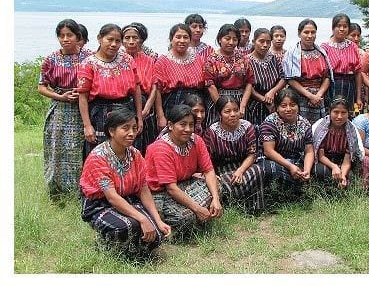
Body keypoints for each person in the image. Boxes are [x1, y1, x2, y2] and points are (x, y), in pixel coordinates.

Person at [79, 106, 171, 257]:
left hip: (127, 199)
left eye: (134, 128)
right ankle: (104, 244)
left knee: (157, 234)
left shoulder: (135, 154)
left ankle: (132, 249)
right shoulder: (98, 157)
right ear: (111, 131)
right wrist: (142, 218)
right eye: (125, 128)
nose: (131, 133)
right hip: (100, 204)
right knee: (131, 225)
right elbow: (111, 197)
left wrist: (157, 220)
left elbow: (143, 188)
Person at [145, 103, 222, 241]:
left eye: (191, 125)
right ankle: (168, 227)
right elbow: (171, 188)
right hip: (161, 192)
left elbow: (209, 170)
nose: (188, 129)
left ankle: (201, 214)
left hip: (184, 184)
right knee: (186, 217)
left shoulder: (196, 140)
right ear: (170, 125)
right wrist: (198, 209)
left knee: (217, 184)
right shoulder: (161, 148)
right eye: (182, 124)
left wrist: (216, 200)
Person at [38, 19, 90, 196]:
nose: (65, 39)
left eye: (70, 35)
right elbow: (42, 86)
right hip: (60, 110)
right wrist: (60, 96)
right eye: (61, 36)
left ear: (78, 37)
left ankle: (82, 191)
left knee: (82, 148)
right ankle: (57, 191)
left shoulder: (88, 57)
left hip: (85, 109)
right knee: (57, 149)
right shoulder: (51, 59)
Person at [77, 24, 143, 157]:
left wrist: (139, 118)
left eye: (118, 41)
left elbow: (136, 89)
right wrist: (87, 126)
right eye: (110, 39)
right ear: (100, 39)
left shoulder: (127, 60)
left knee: (127, 151)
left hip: (126, 111)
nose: (113, 44)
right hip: (100, 114)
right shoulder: (88, 64)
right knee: (100, 153)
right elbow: (82, 96)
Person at [202, 95, 265, 215]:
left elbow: (252, 154)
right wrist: (214, 175)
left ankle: (255, 209)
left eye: (235, 110)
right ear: (219, 114)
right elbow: (207, 160)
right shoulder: (211, 132)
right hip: (220, 169)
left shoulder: (247, 127)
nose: (233, 114)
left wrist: (240, 170)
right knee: (223, 184)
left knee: (258, 170)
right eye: (227, 111)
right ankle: (232, 207)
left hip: (243, 166)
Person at [258, 88, 314, 201]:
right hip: (276, 161)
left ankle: (299, 191)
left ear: (298, 106)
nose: (288, 109)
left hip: (297, 160)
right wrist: (290, 166)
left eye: (292, 105)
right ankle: (281, 197)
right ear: (277, 108)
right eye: (283, 106)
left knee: (316, 170)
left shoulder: (305, 123)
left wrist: (306, 170)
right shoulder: (270, 122)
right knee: (269, 169)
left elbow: (309, 151)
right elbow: (268, 151)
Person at [153, 23, 210, 127]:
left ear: (190, 39)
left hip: (197, 103)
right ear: (171, 39)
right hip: (173, 103)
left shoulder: (198, 58)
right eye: (178, 37)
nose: (182, 41)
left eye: (185, 37)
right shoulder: (163, 60)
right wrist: (160, 115)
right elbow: (157, 90)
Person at [282, 19, 333, 123]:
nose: (310, 36)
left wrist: (318, 95)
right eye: (306, 32)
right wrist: (310, 96)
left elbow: (327, 77)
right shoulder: (292, 53)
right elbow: (290, 79)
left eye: (313, 32)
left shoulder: (321, 53)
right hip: (299, 97)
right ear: (299, 34)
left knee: (319, 128)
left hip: (319, 98)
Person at [204, 23, 254, 126]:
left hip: (239, 101)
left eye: (234, 39)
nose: (231, 42)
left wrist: (243, 105)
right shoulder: (211, 60)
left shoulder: (242, 59)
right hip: (218, 100)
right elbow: (210, 84)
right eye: (227, 38)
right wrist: (221, 107)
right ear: (219, 39)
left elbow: (249, 82)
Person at [121, 23, 160, 153]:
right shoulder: (118, 60)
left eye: (135, 38)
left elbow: (155, 85)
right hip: (125, 105)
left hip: (145, 104)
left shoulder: (149, 60)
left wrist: (147, 107)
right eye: (127, 38)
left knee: (146, 142)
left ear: (141, 40)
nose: (131, 42)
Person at [311, 97, 364, 188]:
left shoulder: (351, 131)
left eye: (343, 113)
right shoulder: (322, 127)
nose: (339, 116)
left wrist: (342, 175)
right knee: (321, 172)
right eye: (336, 112)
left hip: (342, 160)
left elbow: (347, 160)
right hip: (325, 160)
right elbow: (321, 156)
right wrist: (334, 167)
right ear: (330, 112)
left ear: (348, 114)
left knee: (350, 177)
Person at [321, 14, 363, 114]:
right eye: (338, 26)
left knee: (348, 114)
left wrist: (358, 97)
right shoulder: (325, 47)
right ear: (333, 28)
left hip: (349, 85)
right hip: (331, 85)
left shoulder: (352, 46)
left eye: (345, 26)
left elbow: (357, 72)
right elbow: (322, 73)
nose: (342, 29)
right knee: (332, 114)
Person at [245, 27, 285, 127]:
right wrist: (264, 99)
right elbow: (246, 85)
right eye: (261, 41)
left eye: (268, 42)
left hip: (274, 101)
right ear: (254, 42)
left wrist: (273, 91)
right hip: (254, 103)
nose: (265, 45)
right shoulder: (246, 61)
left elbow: (283, 78)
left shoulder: (273, 58)